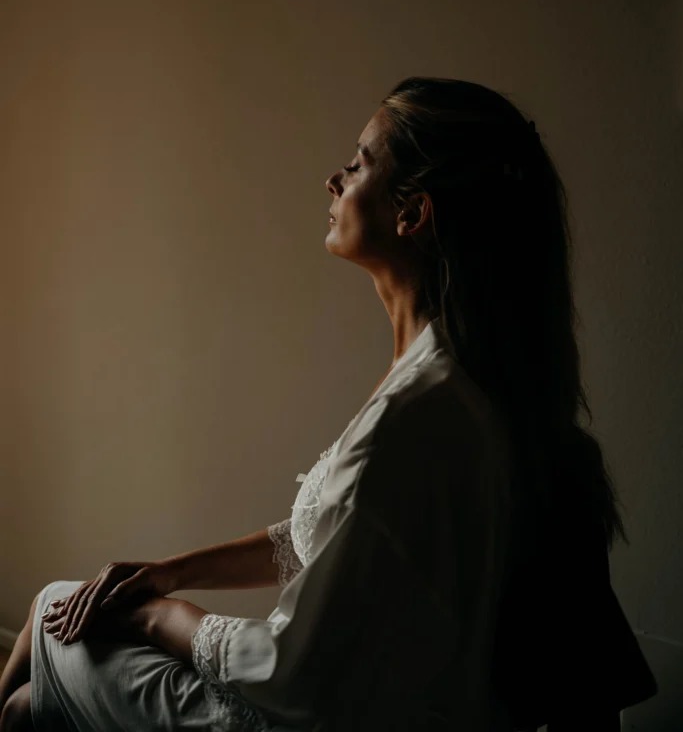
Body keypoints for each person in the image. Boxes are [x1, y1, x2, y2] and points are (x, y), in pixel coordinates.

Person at [0, 77, 657, 732]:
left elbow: (295, 669)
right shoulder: (471, 391)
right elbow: (338, 537)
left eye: (357, 163)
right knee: (30, 710)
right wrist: (171, 571)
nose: (332, 181)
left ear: (412, 212)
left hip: (321, 714)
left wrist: (159, 614)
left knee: (52, 609)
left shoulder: (415, 420)